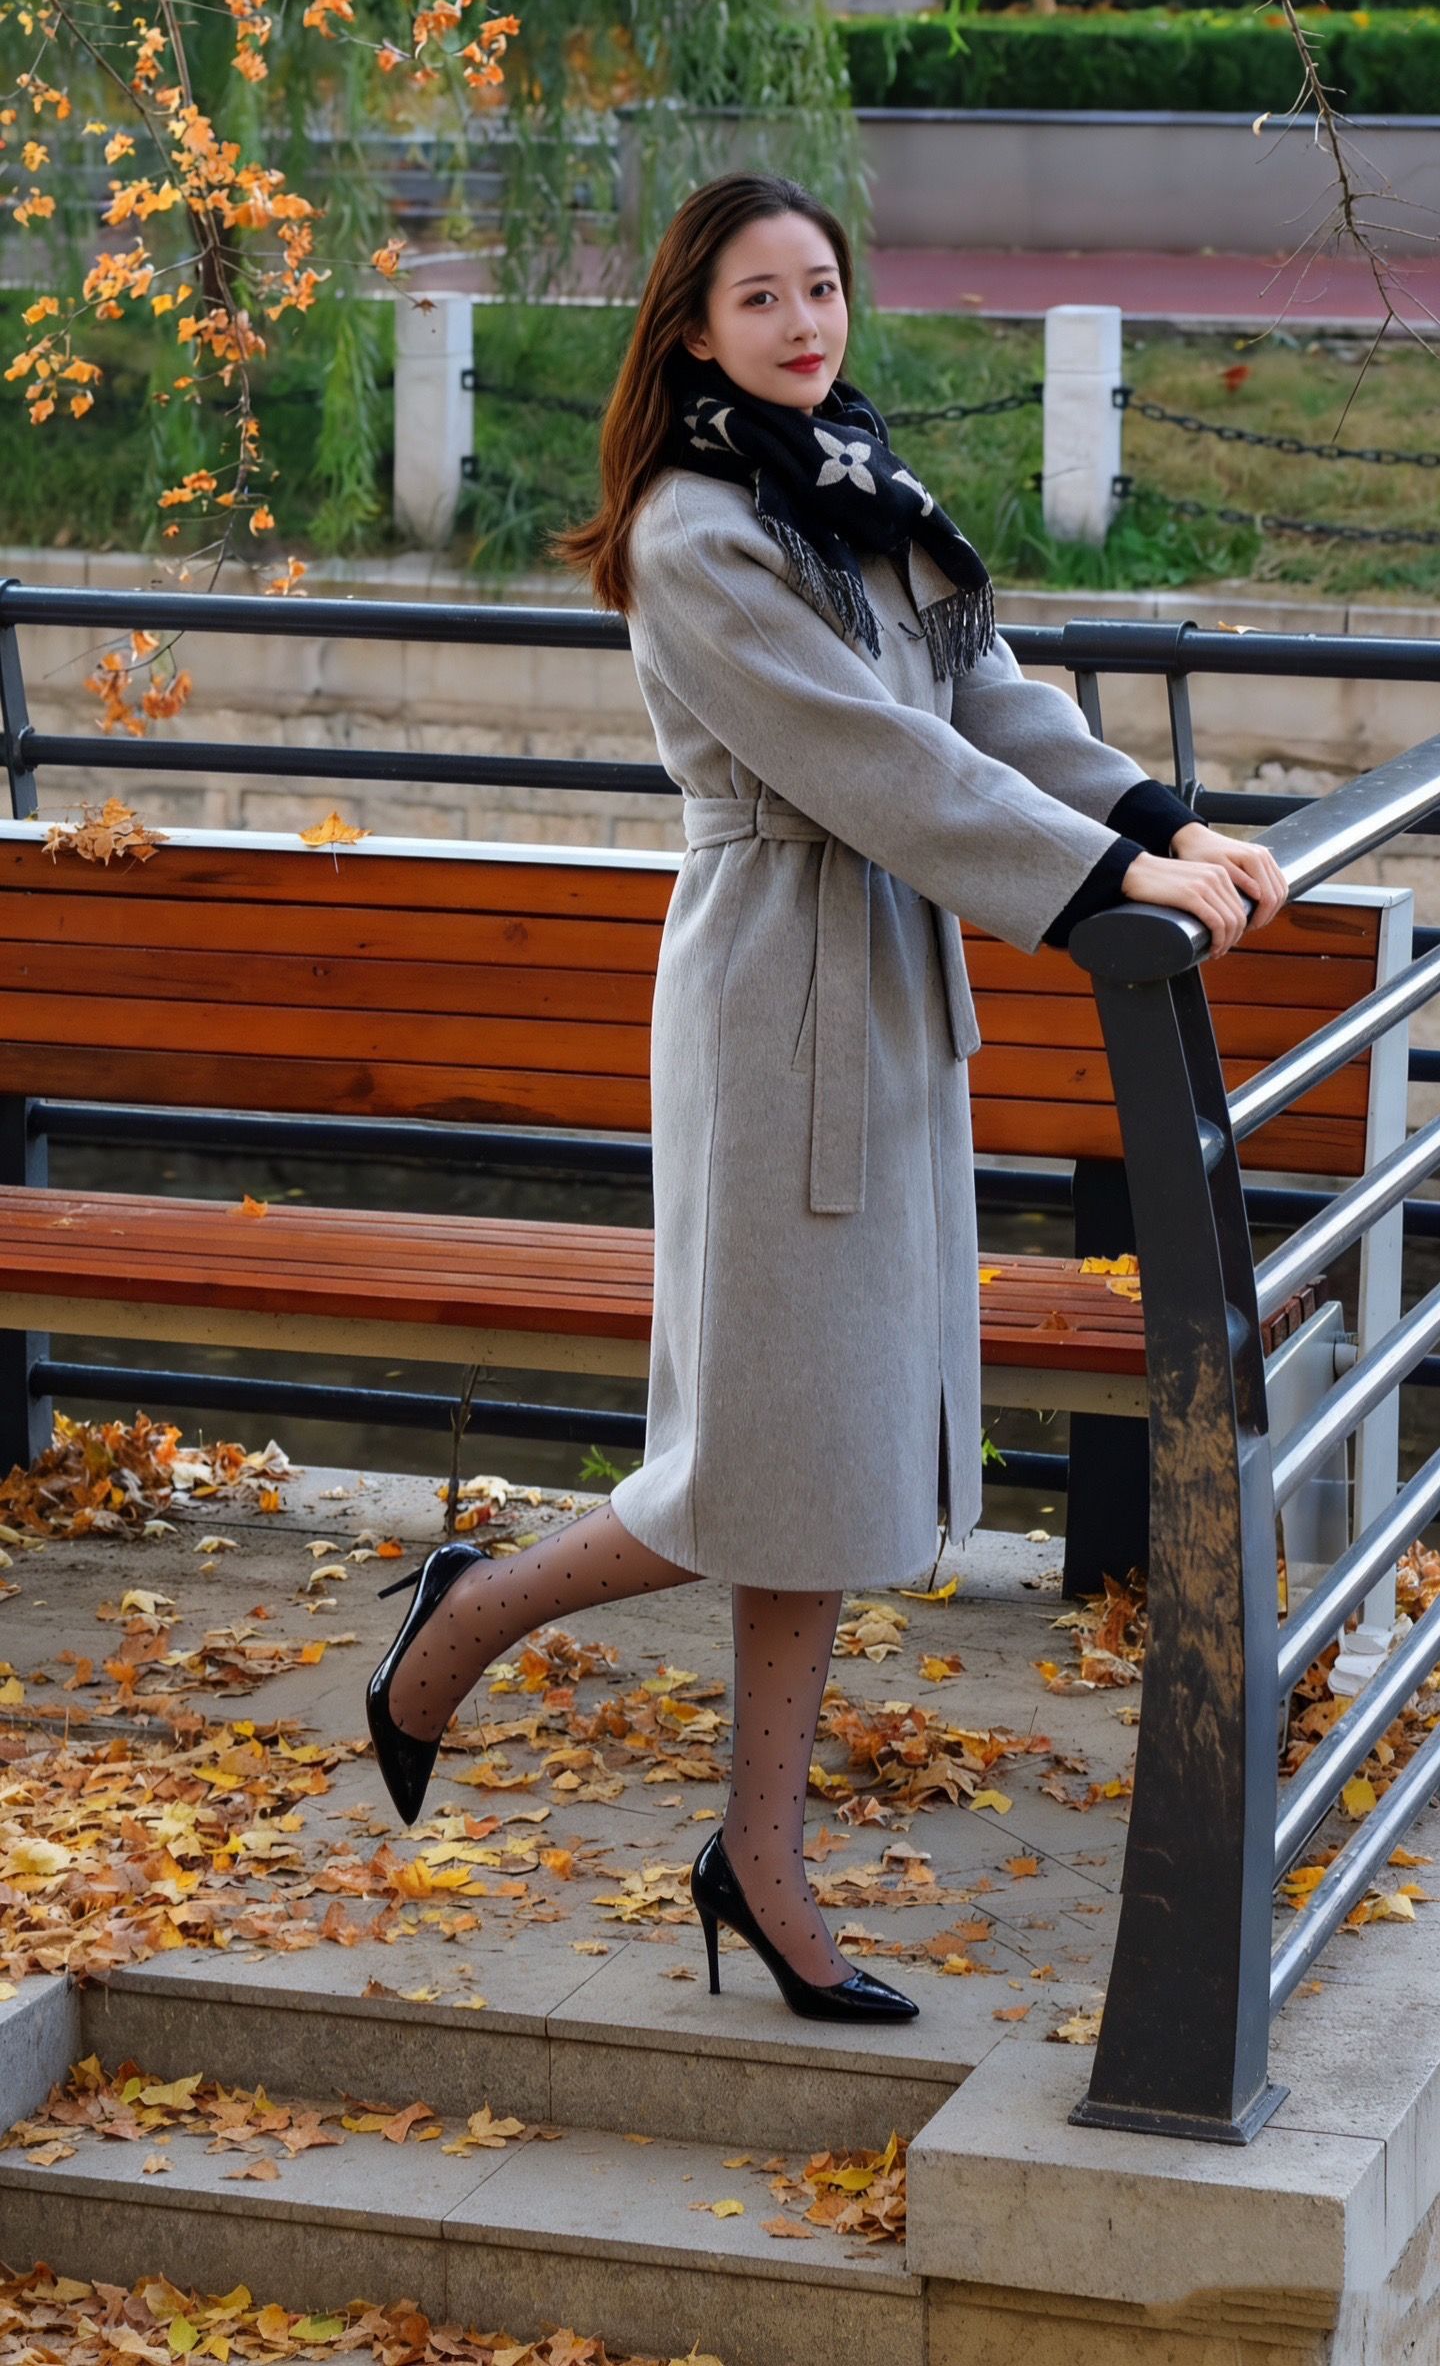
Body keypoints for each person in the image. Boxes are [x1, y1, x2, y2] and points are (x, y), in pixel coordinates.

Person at [367, 170, 1287, 2024]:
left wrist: (1163, 822)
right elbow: (873, 760)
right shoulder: (699, 529)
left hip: (883, 996)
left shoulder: (854, 487)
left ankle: (758, 1859)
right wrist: (1109, 884)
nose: (804, 324)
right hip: (778, 1004)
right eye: (762, 298)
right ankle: (465, 1621)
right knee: (764, 1454)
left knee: (832, 1457)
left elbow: (983, 702)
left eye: (822, 289)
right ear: (694, 331)